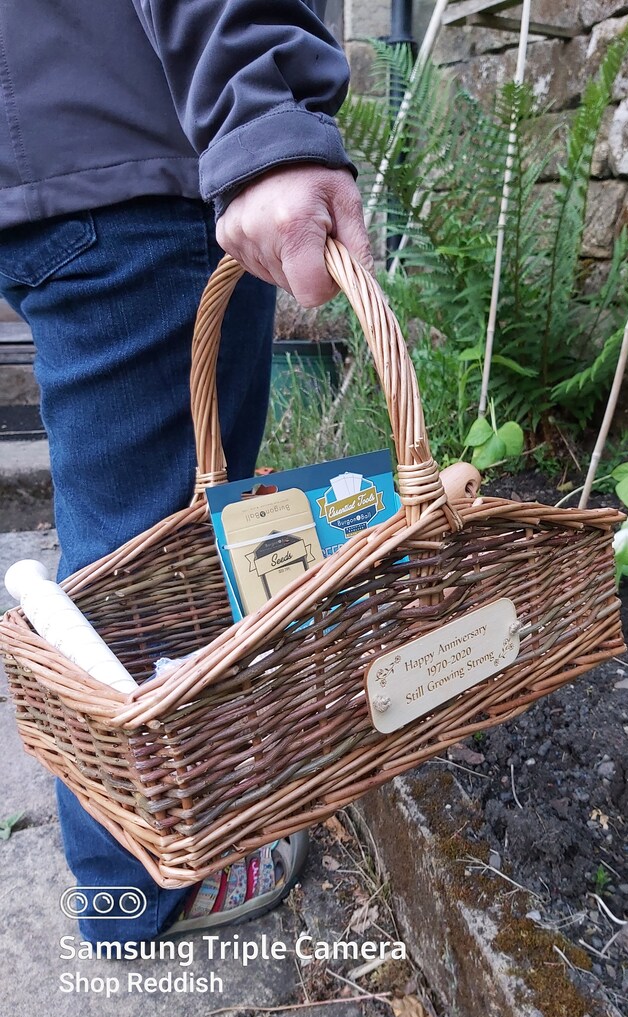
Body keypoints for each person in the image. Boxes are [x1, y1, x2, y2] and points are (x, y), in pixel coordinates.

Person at [0, 0, 372, 943]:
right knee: (140, 550)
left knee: (139, 542)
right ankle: (134, 890)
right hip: (131, 159)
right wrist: (261, 114)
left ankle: (139, 849)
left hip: (54, 153)